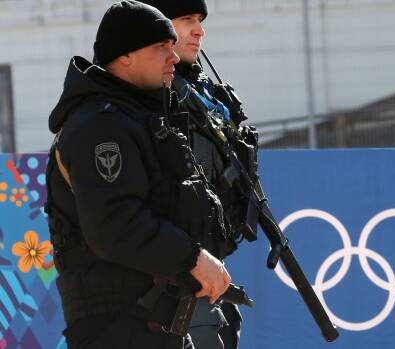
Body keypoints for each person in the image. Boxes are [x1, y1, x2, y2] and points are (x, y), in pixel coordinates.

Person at [45, 1, 231, 348]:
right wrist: (192, 257)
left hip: (154, 320)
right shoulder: (100, 126)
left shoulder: (134, 118)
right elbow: (116, 225)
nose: (173, 56)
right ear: (124, 56)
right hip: (118, 325)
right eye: (161, 47)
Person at [138, 1, 256, 348]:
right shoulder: (148, 97)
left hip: (206, 267)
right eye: (186, 19)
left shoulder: (202, 94)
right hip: (169, 274)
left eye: (200, 20)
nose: (199, 30)